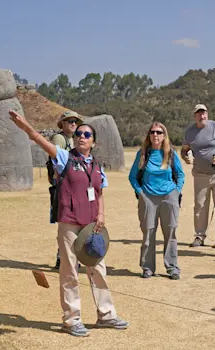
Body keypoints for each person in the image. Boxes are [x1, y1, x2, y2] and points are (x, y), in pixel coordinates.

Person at [9, 110, 128, 338]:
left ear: (93, 142)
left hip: (91, 225)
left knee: (98, 269)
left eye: (86, 134)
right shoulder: (64, 158)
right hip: (70, 223)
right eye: (79, 134)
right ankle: (71, 319)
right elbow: (40, 140)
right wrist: (25, 126)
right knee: (70, 271)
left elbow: (99, 192)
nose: (81, 136)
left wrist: (101, 215)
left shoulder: (97, 165)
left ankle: (106, 315)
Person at [128, 122, 185, 280]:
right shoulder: (143, 154)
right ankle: (147, 267)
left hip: (169, 197)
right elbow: (132, 177)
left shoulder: (171, 153)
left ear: (164, 135)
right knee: (148, 233)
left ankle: (172, 267)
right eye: (152, 132)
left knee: (170, 233)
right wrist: (141, 194)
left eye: (159, 132)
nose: (155, 135)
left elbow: (180, 175)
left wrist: (176, 192)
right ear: (149, 135)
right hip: (148, 198)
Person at [181, 104, 215, 249]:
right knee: (200, 206)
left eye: (204, 113)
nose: (202, 116)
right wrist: (186, 158)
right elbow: (184, 150)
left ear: (207, 114)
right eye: (198, 114)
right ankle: (199, 236)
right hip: (199, 175)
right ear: (194, 116)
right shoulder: (190, 132)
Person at [49, 110, 83, 270]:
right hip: (64, 189)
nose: (73, 124)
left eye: (75, 121)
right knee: (66, 224)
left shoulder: (74, 139)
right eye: (69, 121)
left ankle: (71, 256)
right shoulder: (59, 138)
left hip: (75, 188)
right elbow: (55, 160)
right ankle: (61, 257)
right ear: (62, 123)